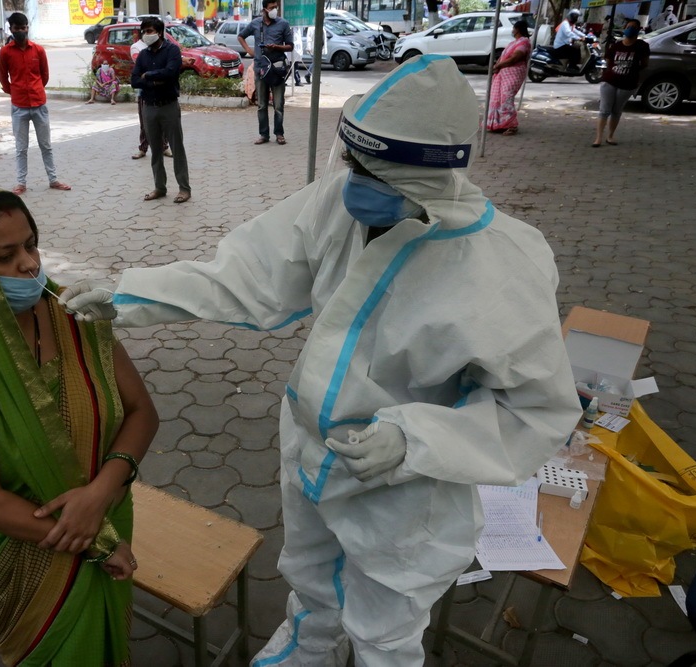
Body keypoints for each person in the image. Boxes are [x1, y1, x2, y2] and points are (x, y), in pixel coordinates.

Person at [59, 56, 581, 666]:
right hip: (309, 451)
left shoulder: (500, 266)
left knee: (385, 628)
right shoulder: (339, 203)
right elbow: (247, 275)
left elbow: (536, 411)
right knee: (310, 578)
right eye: (353, 162)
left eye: (373, 172)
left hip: (403, 488)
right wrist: (132, 296)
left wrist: (414, 439)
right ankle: (309, 649)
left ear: (433, 175)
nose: (352, 181)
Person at [0, 186, 159, 666]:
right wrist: (98, 544)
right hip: (27, 552)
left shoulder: (72, 314)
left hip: (108, 516)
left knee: (107, 643)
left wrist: (101, 494)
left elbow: (142, 411)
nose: (30, 265)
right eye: (5, 255)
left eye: (31, 245)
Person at [0, 12, 71, 195]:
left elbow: (44, 75)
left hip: (39, 105)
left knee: (46, 145)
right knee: (21, 148)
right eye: (17, 28)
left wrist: (36, 89)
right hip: (19, 107)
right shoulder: (5, 52)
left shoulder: (38, 50)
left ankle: (53, 180)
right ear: (12, 29)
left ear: (27, 27)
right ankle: (21, 183)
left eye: (23, 28)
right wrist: (13, 91)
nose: (21, 31)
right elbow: (3, 77)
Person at [131, 17, 191, 204]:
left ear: (159, 32)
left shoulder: (172, 50)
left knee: (176, 148)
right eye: (144, 31)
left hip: (169, 106)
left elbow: (171, 72)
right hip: (149, 107)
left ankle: (184, 188)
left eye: (150, 31)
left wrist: (148, 75)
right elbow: (134, 80)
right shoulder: (143, 55)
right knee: (156, 150)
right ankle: (160, 187)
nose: (147, 35)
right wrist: (157, 79)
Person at [239, 0, 293, 145]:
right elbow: (241, 36)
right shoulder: (256, 23)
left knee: (278, 105)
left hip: (277, 70)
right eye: (272, 8)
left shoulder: (283, 24)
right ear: (264, 9)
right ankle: (264, 134)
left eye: (276, 7)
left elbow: (290, 46)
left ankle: (279, 134)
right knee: (262, 105)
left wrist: (276, 47)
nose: (275, 10)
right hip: (261, 69)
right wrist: (250, 51)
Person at [593, 18, 649, 147]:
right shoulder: (617, 45)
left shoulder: (642, 46)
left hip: (628, 83)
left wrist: (633, 70)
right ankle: (598, 138)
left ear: (638, 29)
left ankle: (610, 136)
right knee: (604, 110)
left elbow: (645, 63)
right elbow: (608, 61)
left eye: (634, 27)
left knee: (616, 111)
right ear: (624, 28)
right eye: (628, 26)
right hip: (610, 81)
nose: (630, 29)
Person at [486, 19, 532, 136]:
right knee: (497, 98)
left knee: (506, 97)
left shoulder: (524, 42)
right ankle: (500, 124)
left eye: (513, 28)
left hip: (514, 73)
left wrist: (498, 65)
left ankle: (511, 125)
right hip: (503, 73)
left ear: (517, 29)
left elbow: (515, 58)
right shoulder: (513, 43)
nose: (512, 30)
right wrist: (498, 66)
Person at [129, 34, 171, 160]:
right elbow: (139, 69)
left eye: (151, 30)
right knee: (145, 123)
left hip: (162, 92)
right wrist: (158, 72)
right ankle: (143, 148)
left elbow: (169, 69)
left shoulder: (163, 47)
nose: (150, 34)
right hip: (145, 92)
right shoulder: (137, 48)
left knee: (163, 122)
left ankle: (164, 147)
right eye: (147, 30)